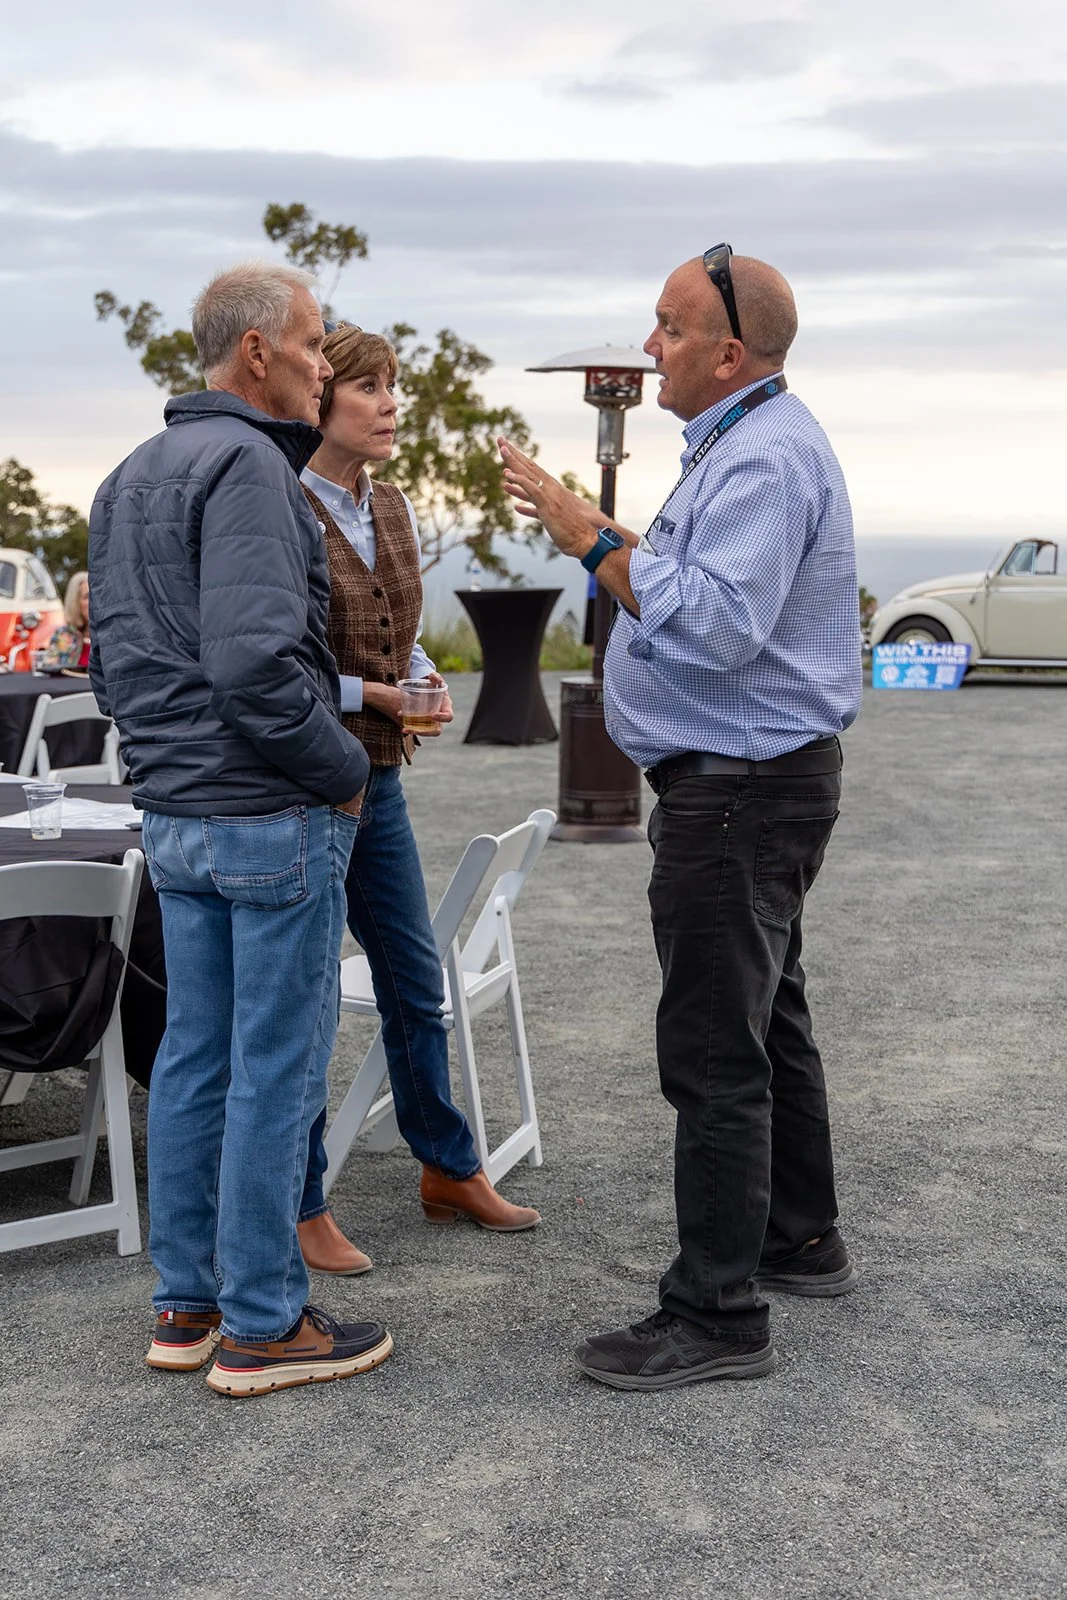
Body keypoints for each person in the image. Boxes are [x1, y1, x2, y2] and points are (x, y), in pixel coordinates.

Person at [499, 246, 862, 1391]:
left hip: (736, 791)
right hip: (753, 780)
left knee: (713, 1048)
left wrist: (589, 535)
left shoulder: (761, 459)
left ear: (729, 352)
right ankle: (797, 1237)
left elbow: (713, 624)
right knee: (768, 1015)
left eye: (665, 326)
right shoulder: (742, 444)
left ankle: (715, 1314)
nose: (647, 345)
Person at [89, 260, 393, 1400]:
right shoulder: (254, 473)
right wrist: (340, 776)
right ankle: (266, 1323)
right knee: (272, 1068)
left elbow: (111, 665)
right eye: (315, 344)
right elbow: (257, 666)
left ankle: (189, 1303)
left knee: (193, 1059)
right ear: (257, 352)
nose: (326, 363)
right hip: (269, 814)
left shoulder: (126, 477)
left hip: (175, 818)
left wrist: (169, 774)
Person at [294, 322, 539, 1277]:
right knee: (307, 998)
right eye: (371, 387)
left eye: (395, 386)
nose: (393, 404)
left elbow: (398, 631)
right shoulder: (280, 506)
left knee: (413, 976)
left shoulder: (386, 503)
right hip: (309, 783)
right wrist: (378, 696)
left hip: (381, 778)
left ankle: (447, 1166)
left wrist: (423, 681)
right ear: (322, 401)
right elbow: (288, 667)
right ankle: (303, 1202)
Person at [41, 570, 90, 669]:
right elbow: (50, 667)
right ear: (75, 602)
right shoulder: (62, 635)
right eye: (87, 597)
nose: (94, 602)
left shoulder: (109, 632)